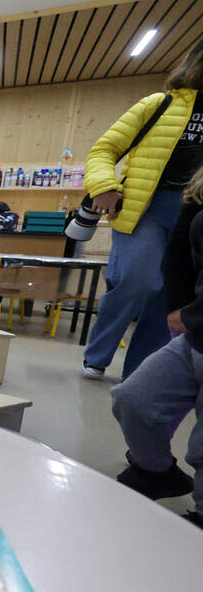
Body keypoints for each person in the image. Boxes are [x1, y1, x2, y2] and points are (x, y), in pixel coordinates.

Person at [82, 37, 203, 379]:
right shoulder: (159, 104)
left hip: (193, 216)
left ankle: (140, 369)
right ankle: (97, 354)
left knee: (171, 294)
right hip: (146, 208)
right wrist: (104, 186)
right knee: (139, 280)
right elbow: (104, 149)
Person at [111, 166, 203, 530]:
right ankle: (157, 471)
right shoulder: (197, 191)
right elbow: (180, 249)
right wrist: (179, 305)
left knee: (201, 450)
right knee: (134, 399)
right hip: (196, 333)